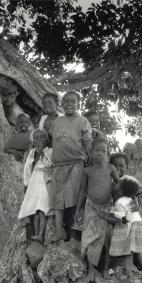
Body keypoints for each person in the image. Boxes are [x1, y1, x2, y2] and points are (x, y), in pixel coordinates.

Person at [50, 91, 92, 242]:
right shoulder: (57, 121)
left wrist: (91, 156)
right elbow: (51, 140)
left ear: (78, 104)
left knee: (75, 200)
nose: (69, 104)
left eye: (72, 101)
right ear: (61, 104)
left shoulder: (82, 121)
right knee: (58, 199)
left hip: (76, 164)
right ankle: (60, 231)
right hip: (59, 165)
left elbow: (87, 141)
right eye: (66, 101)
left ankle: (75, 232)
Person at [76, 137, 120, 280]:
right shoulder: (87, 171)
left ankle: (106, 268)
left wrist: (125, 202)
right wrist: (78, 210)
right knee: (89, 238)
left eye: (104, 151)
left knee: (107, 240)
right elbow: (83, 191)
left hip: (107, 208)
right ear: (91, 152)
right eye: (97, 150)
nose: (100, 153)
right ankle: (91, 269)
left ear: (107, 153)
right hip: (91, 208)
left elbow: (120, 186)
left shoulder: (111, 169)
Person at [101, 176, 142, 280]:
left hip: (126, 228)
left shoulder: (121, 201)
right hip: (136, 225)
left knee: (121, 251)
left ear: (121, 190)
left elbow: (118, 218)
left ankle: (117, 272)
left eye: (119, 184)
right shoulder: (130, 199)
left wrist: (105, 216)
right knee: (132, 251)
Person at [18, 129, 53, 243]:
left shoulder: (50, 152)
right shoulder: (32, 153)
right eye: (36, 139)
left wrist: (43, 153)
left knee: (42, 210)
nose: (38, 141)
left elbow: (51, 164)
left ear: (46, 140)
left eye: (41, 138)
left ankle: (41, 234)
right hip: (35, 184)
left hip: (45, 184)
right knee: (35, 211)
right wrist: (26, 183)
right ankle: (35, 234)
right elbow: (27, 168)